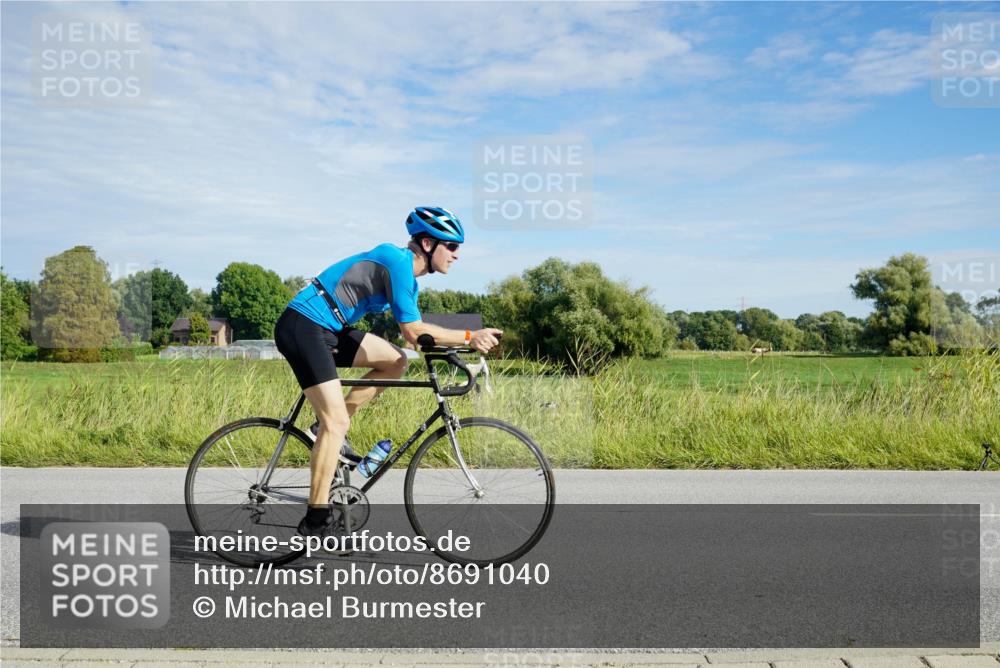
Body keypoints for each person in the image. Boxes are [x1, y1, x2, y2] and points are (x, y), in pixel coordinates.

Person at [273, 206, 503, 537]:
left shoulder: (408, 282)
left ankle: (326, 430)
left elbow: (417, 338)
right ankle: (316, 517)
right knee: (334, 422)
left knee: (396, 361)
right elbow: (413, 331)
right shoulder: (397, 262)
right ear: (427, 244)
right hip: (303, 325)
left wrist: (457, 350)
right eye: (451, 246)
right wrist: (470, 336)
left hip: (328, 328)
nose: (456, 255)